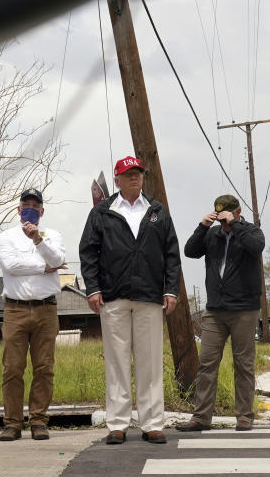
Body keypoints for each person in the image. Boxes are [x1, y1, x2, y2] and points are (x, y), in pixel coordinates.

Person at [78, 155, 180, 445]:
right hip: (113, 296)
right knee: (117, 362)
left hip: (149, 296)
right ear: (118, 179)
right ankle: (118, 424)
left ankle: (152, 424)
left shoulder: (157, 211)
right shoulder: (102, 212)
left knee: (150, 361)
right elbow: (88, 252)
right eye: (129, 174)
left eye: (139, 173)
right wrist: (93, 288)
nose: (135, 178)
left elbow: (171, 253)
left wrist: (170, 290)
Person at [176, 194, 265, 433]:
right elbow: (190, 251)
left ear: (236, 212)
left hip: (244, 309)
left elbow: (256, 248)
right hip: (215, 310)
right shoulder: (212, 234)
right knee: (206, 364)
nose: (223, 223)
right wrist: (202, 226)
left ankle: (244, 417)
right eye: (220, 218)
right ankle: (201, 417)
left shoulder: (251, 231)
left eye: (226, 217)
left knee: (243, 364)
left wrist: (234, 225)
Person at [0, 188, 66, 442]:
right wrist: (45, 267)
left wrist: (38, 240)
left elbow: (58, 257)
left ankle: (38, 420)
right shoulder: (6, 237)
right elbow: (11, 266)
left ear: (42, 211)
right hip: (15, 309)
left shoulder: (52, 235)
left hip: (46, 308)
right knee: (12, 368)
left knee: (44, 367)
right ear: (18, 208)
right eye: (26, 204)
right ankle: (12, 423)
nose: (30, 209)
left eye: (35, 206)